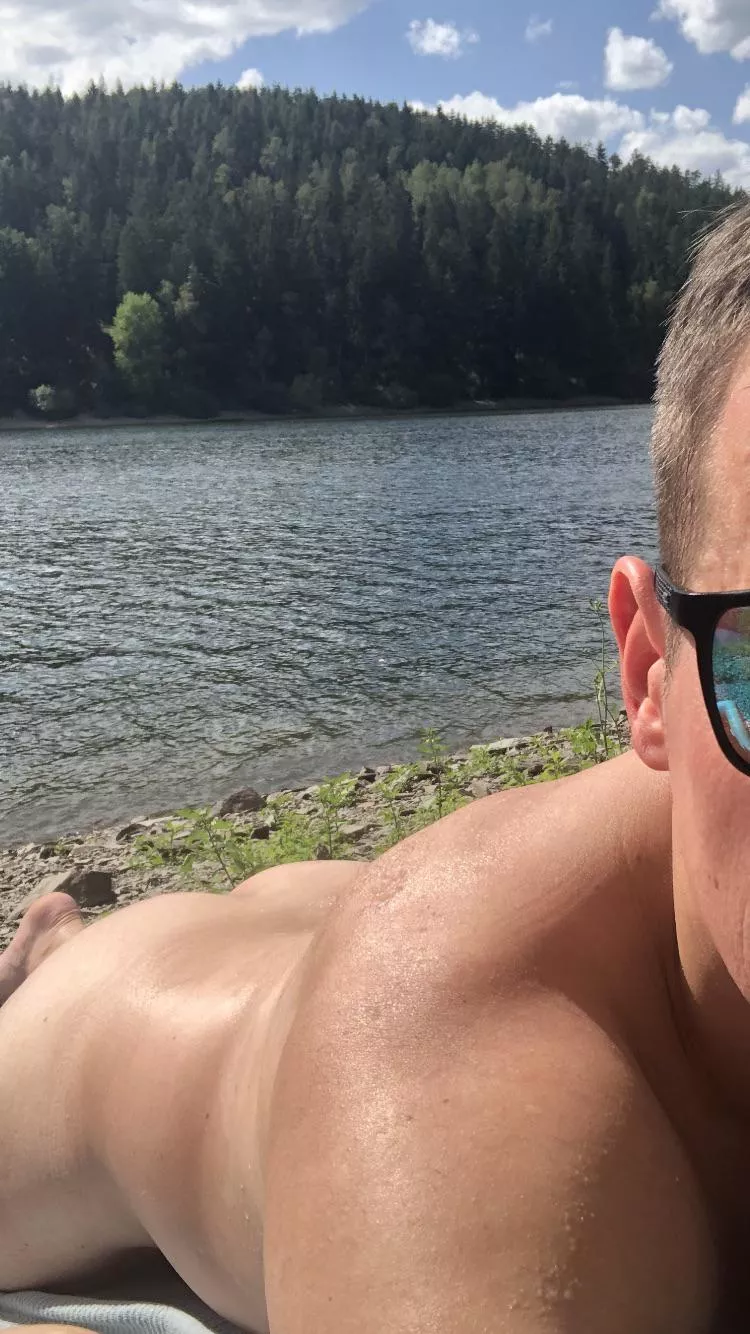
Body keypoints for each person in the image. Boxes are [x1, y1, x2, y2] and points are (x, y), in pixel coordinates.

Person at [4, 200, 750, 1334]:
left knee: (338, 916)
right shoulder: (481, 1099)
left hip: (413, 916)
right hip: (118, 1037)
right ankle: (60, 954)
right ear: (651, 673)